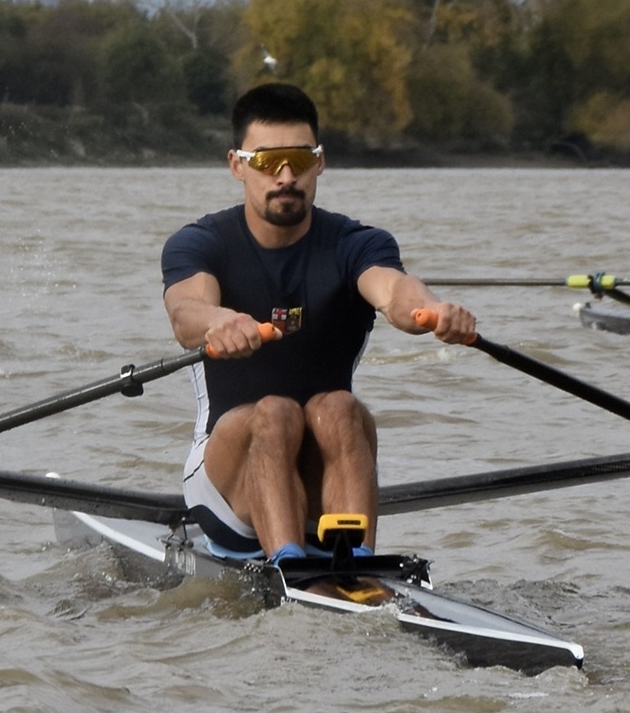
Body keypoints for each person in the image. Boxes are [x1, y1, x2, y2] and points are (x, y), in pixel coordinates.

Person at [160, 82, 476, 574]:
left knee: (340, 408)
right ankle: (288, 567)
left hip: (317, 478)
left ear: (320, 162)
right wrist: (219, 321)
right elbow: (186, 312)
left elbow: (394, 291)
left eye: (300, 160)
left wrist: (433, 311)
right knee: (276, 413)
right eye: (268, 161)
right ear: (237, 165)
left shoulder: (358, 243)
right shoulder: (200, 243)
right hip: (226, 490)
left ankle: (358, 566)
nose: (286, 176)